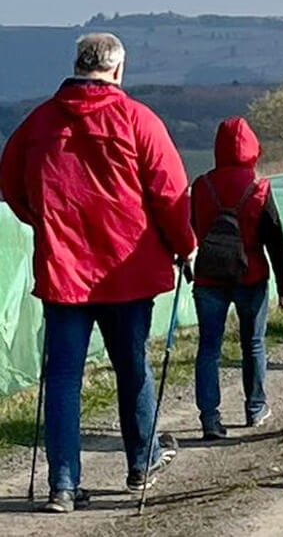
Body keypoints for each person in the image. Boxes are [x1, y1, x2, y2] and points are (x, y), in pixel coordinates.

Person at [0, 33, 195, 513]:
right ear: (118, 69)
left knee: (62, 377)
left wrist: (44, 222)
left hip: (63, 269)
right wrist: (185, 245)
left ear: (77, 64)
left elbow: (12, 183)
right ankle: (142, 461)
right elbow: (170, 193)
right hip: (126, 270)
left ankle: (63, 485)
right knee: (132, 366)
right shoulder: (138, 120)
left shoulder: (39, 122)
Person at [190, 117, 283, 440]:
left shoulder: (201, 186)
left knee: (209, 348)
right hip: (251, 275)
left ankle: (210, 418)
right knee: (253, 344)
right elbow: (275, 239)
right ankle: (255, 408)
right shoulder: (260, 188)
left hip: (209, 278)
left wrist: (187, 266)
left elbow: (191, 229)